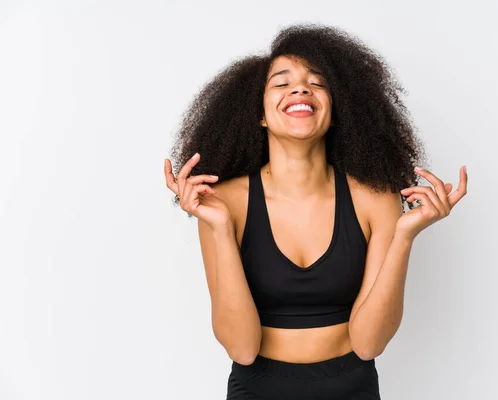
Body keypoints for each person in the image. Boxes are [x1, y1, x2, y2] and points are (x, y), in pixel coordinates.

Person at [163, 24, 467, 400]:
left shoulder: (375, 199)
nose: (300, 88)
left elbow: (369, 343)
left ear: (337, 112)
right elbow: (241, 348)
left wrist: (404, 236)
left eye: (317, 82)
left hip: (353, 387)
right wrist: (222, 230)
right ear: (258, 114)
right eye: (281, 82)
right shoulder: (222, 203)